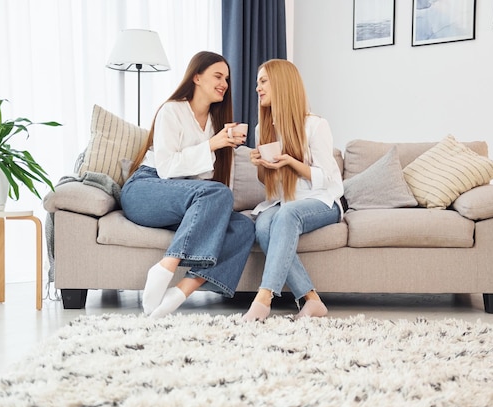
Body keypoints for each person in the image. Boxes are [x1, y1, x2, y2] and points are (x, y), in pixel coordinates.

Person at [121, 51, 255, 319]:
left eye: (227, 79)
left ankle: (181, 292)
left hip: (183, 203)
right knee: (217, 192)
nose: (224, 84)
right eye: (218, 76)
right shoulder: (172, 110)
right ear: (196, 77)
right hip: (146, 189)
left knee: (243, 226)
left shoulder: (216, 124)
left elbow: (207, 188)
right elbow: (168, 168)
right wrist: (213, 144)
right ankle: (165, 267)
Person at [242, 59, 344, 321]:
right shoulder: (262, 128)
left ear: (282, 84)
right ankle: (311, 300)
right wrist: (261, 166)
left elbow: (329, 178)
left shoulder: (315, 125)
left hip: (322, 201)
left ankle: (263, 299)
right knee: (263, 226)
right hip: (283, 201)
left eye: (263, 81)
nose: (258, 88)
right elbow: (270, 185)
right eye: (257, 83)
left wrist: (293, 163)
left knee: (287, 216)